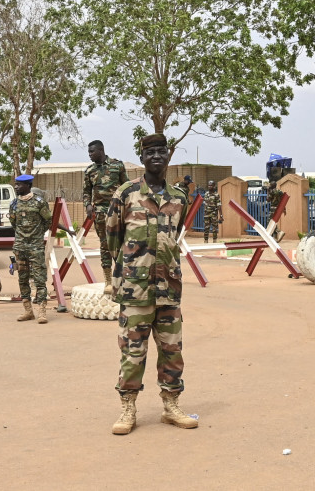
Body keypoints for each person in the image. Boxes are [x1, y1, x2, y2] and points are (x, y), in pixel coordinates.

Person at [106, 133, 198, 435]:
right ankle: (128, 408)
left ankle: (171, 405)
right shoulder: (126, 193)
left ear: (168, 156)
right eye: (151, 152)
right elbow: (114, 238)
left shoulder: (178, 197)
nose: (156, 157)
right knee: (133, 351)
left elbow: (175, 235)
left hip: (169, 287)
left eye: (162, 152)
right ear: (142, 157)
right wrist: (121, 275)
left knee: (172, 349)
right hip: (135, 288)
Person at [83, 139, 128, 287]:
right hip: (100, 213)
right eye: (89, 152)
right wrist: (88, 205)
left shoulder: (117, 165)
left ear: (101, 150)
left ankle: (121, 277)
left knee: (120, 243)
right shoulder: (89, 171)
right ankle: (108, 280)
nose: (89, 154)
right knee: (105, 245)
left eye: (92, 151)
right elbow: (86, 192)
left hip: (117, 211)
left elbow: (126, 187)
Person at [10, 174, 53, 323]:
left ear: (27, 185)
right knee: (22, 279)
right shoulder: (14, 203)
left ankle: (42, 311)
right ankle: (28, 311)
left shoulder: (39, 202)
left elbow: (48, 221)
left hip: (35, 246)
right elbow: (13, 223)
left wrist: (37, 235)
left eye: (19, 185)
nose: (16, 187)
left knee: (39, 278)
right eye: (15, 185)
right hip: (20, 246)